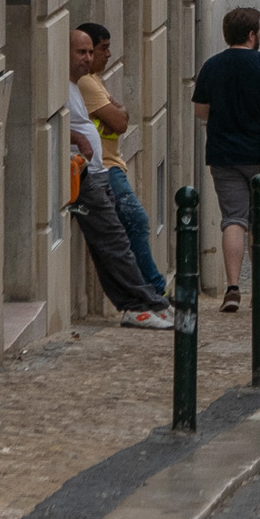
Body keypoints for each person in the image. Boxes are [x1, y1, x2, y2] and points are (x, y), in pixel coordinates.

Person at [192, 5, 260, 317]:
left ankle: (234, 287)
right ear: (253, 34)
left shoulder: (212, 66)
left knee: (233, 219)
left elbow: (201, 111)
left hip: (225, 156)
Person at [67, 29, 171, 328]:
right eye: (81, 52)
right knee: (115, 241)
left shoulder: (81, 83)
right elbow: (60, 122)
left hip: (97, 172)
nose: (88, 58)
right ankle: (144, 303)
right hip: (87, 175)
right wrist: (76, 137)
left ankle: (143, 302)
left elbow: (121, 117)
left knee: (111, 244)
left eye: (90, 52)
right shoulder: (70, 85)